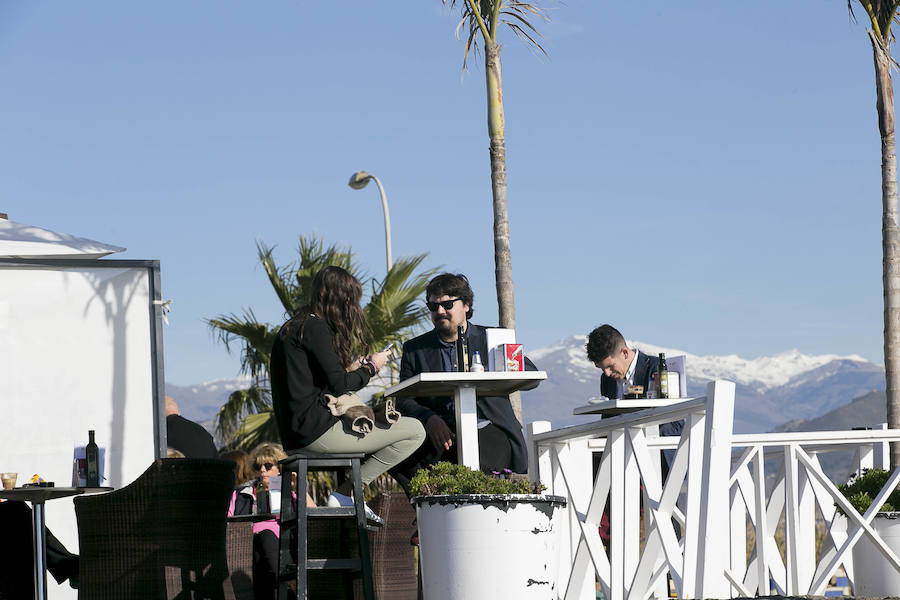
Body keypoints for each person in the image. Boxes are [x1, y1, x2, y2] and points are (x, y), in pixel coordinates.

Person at [269, 265, 426, 516]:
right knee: (415, 431)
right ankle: (349, 492)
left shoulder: (293, 328)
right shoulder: (316, 327)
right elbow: (341, 385)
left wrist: (353, 368)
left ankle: (345, 493)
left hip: (295, 436)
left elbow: (323, 381)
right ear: (340, 300)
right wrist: (373, 367)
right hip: (317, 433)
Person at [389, 273, 540, 493]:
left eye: (447, 304)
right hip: (440, 434)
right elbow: (404, 400)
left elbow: (531, 376)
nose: (440, 311)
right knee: (393, 452)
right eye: (433, 306)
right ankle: (427, 509)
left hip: (490, 429)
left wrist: (501, 362)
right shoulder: (415, 348)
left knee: (478, 474)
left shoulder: (493, 339)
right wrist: (428, 418)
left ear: (466, 305)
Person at [228, 442, 287, 600]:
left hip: (280, 541)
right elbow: (227, 520)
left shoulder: (288, 491)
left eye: (268, 466)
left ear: (279, 469)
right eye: (259, 466)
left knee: (266, 536)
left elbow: (310, 511)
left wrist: (294, 487)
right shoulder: (241, 493)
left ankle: (284, 587)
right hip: (246, 541)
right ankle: (287, 590)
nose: (262, 470)